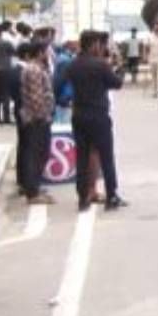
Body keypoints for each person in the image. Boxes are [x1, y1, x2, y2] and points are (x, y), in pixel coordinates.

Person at [59, 30, 126, 211]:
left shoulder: (72, 65)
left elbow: (58, 84)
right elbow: (117, 83)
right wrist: (118, 68)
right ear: (94, 45)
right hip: (98, 115)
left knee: (82, 157)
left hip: (79, 114)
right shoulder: (100, 65)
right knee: (106, 157)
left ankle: (83, 198)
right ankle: (111, 195)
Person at [17, 42, 55, 205]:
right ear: (40, 52)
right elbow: (36, 97)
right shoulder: (33, 70)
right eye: (46, 51)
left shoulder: (36, 68)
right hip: (36, 119)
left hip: (37, 118)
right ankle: (32, 192)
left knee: (38, 153)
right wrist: (43, 116)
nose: (49, 54)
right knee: (36, 153)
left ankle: (34, 187)